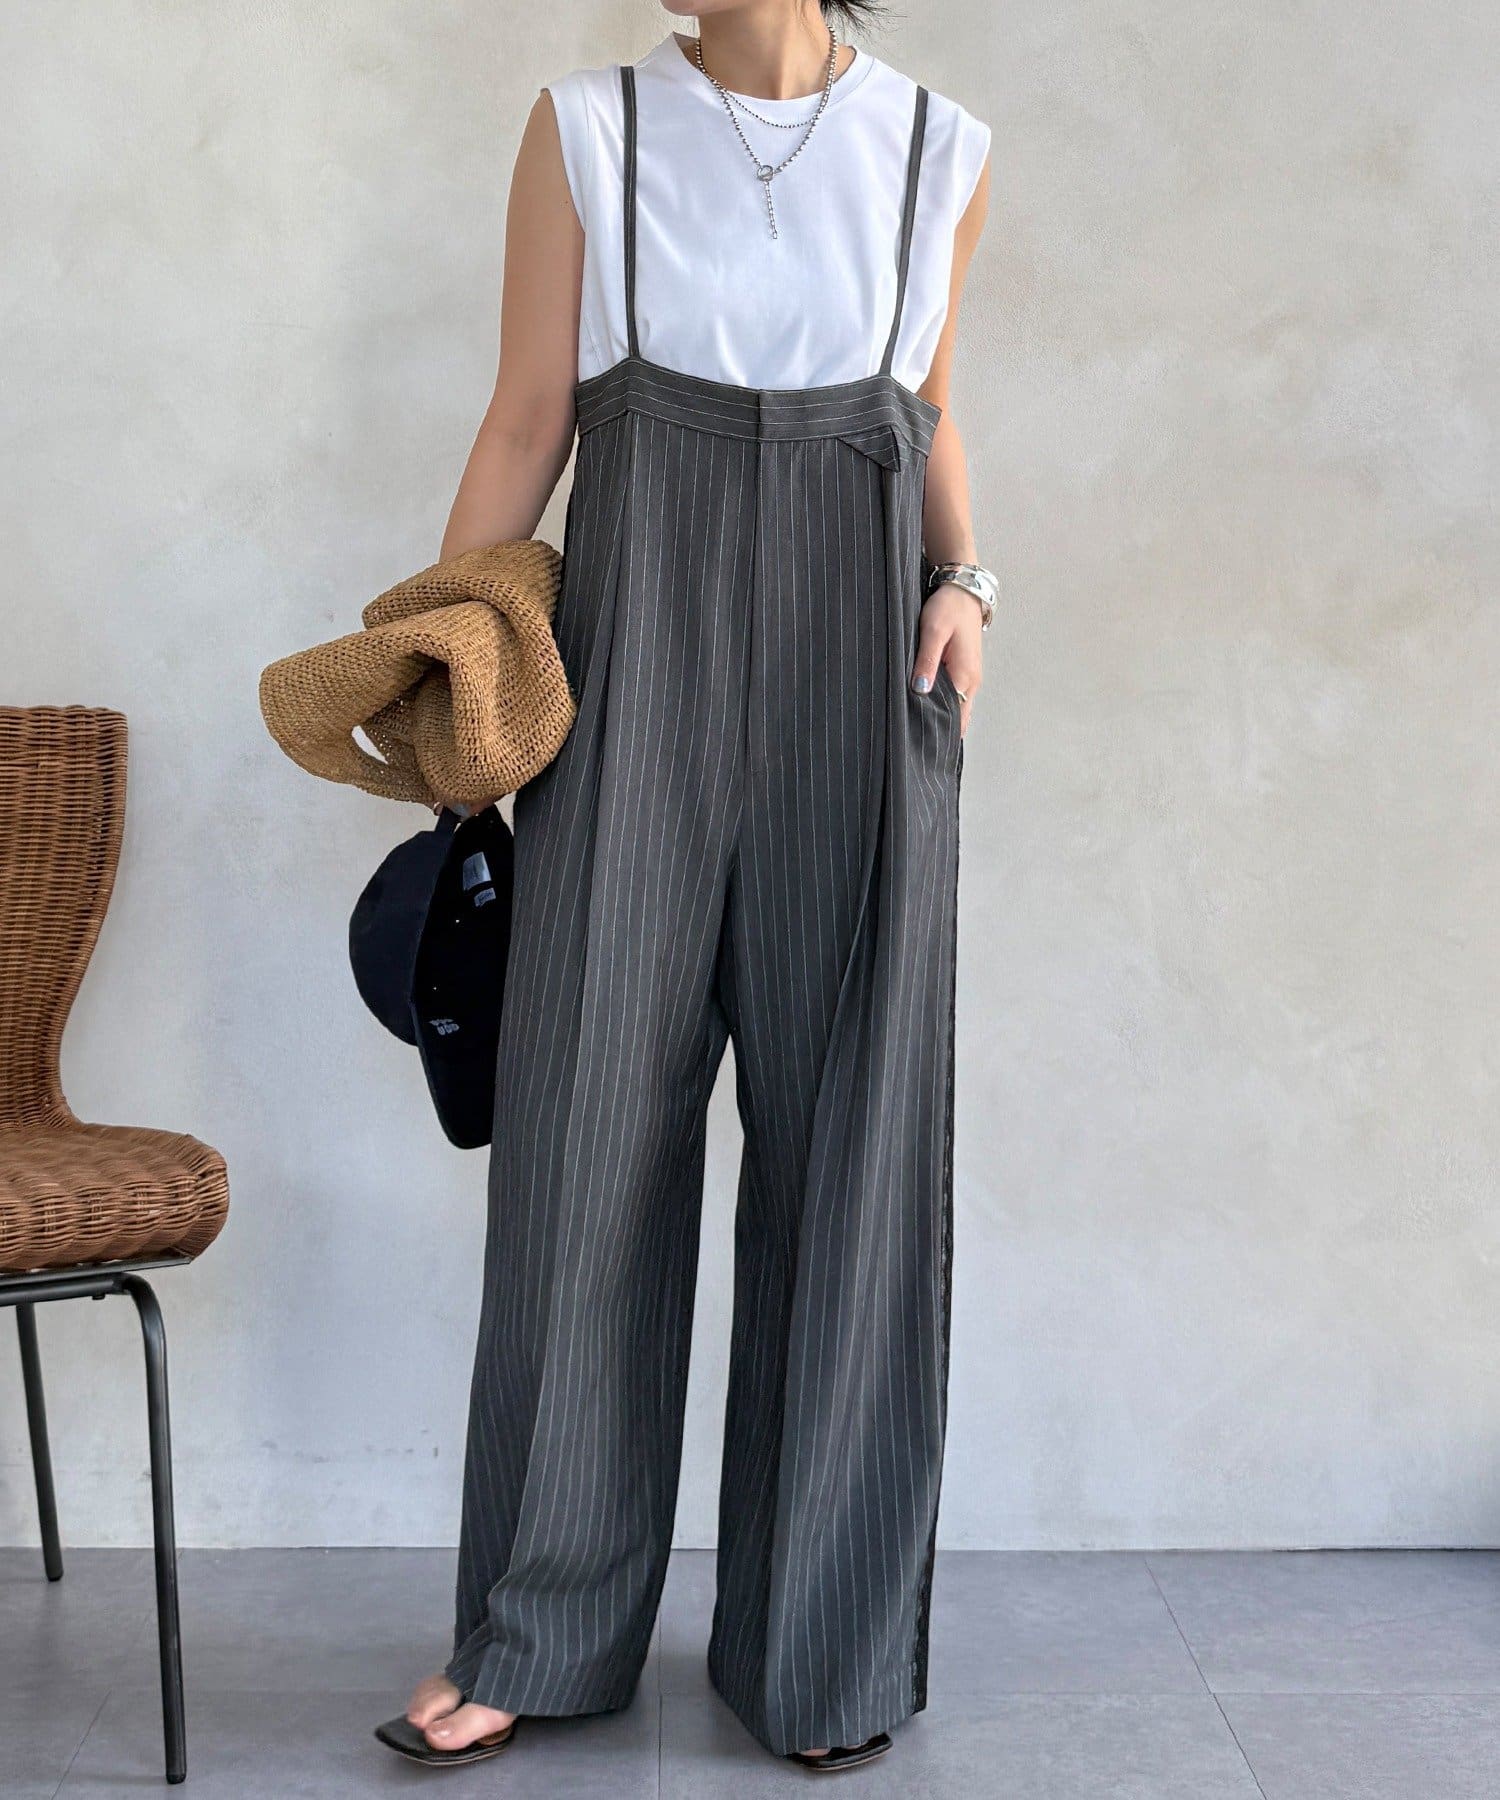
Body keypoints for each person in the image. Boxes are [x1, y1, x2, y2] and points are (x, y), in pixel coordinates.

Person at [376, 0, 993, 1772]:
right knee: (585, 1155)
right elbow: (527, 421)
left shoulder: (937, 149)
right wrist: (445, 663)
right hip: (628, 677)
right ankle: (537, 1627)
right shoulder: (592, 127)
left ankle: (820, 1654)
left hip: (858, 686)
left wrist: (970, 583)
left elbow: (928, 405)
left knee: (852, 1163)